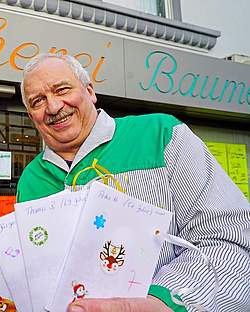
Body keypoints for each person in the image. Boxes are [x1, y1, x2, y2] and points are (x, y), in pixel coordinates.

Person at [17, 53, 250, 311]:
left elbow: (230, 240)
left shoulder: (160, 135)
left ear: (90, 91)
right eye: (38, 101)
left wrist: (165, 302)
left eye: (62, 89)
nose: (52, 107)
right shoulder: (30, 179)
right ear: (31, 115)